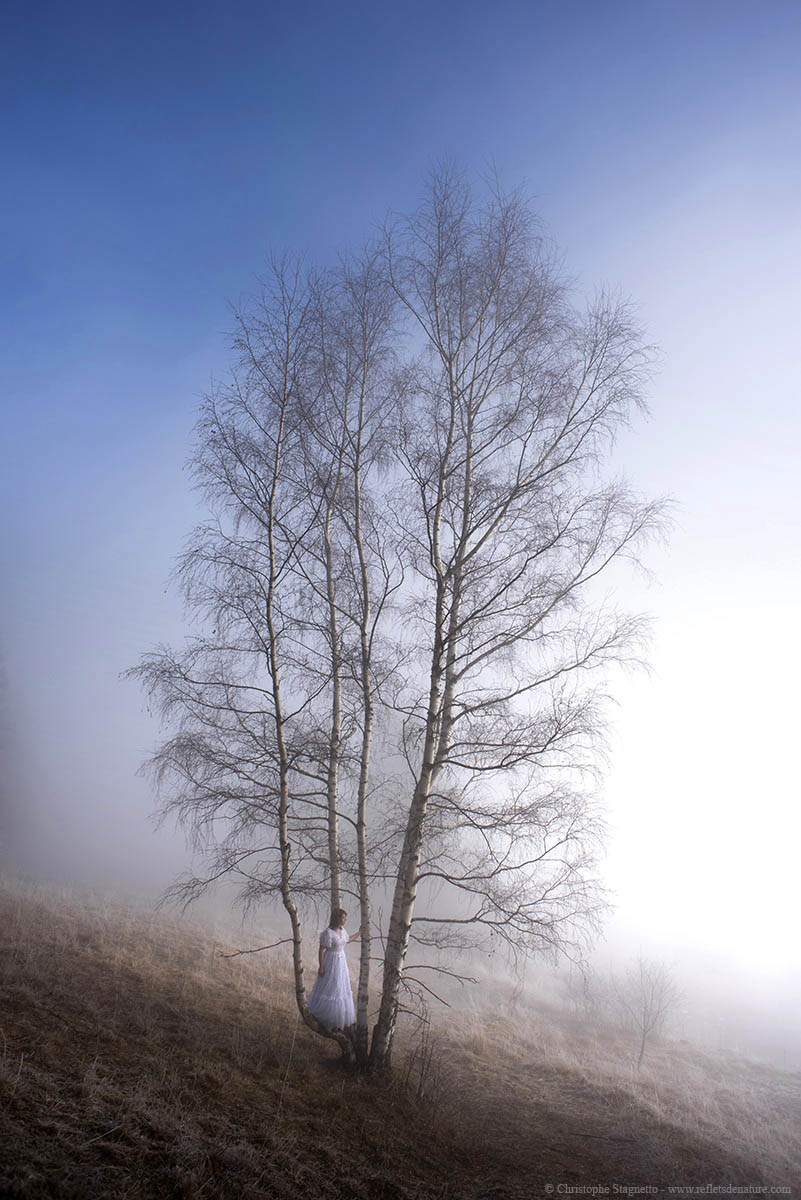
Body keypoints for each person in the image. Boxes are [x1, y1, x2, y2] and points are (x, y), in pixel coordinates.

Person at [306, 907, 361, 1031]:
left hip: (341, 963)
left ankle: (336, 1018)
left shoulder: (342, 931)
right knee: (331, 987)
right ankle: (325, 1017)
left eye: (345, 918)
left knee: (340, 987)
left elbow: (349, 939)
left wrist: (359, 932)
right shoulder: (328, 933)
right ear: (337, 918)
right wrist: (321, 966)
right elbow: (321, 950)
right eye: (343, 918)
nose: (345, 920)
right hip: (331, 962)